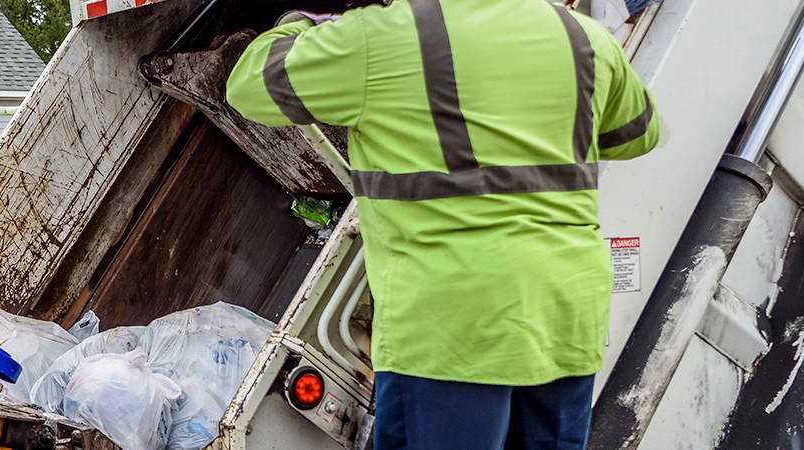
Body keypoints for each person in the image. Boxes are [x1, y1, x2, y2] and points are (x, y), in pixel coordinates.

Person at [224, 0, 661, 448]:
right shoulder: (584, 37)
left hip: (454, 325)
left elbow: (248, 84)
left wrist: (300, 23)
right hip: (563, 314)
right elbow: (639, 133)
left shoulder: (380, 37)